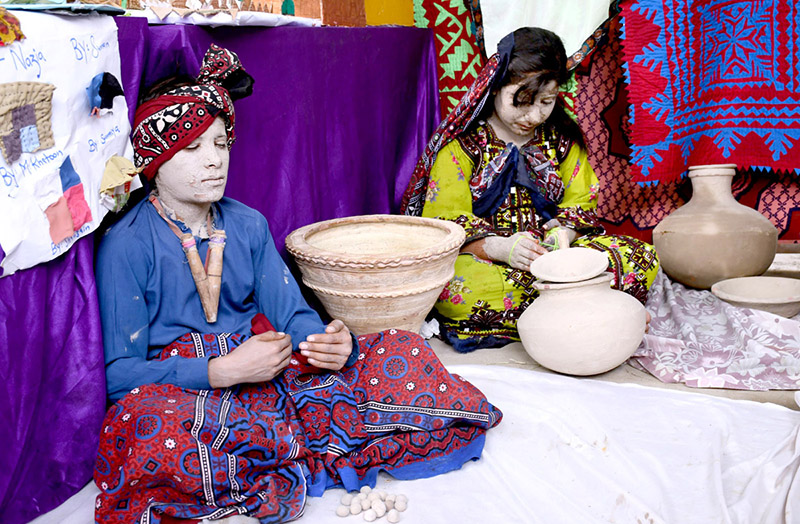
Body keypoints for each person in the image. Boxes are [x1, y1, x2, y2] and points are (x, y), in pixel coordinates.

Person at [94, 44, 502, 524]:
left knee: (404, 350)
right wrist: (221, 372)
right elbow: (119, 375)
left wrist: (327, 342)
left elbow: (293, 316)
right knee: (149, 430)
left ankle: (284, 437)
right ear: (153, 158)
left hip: (268, 364)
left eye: (221, 144)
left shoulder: (246, 224)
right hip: (187, 389)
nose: (213, 161)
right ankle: (277, 444)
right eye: (191, 147)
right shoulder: (127, 243)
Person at [400, 27, 660, 353]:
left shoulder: (562, 142)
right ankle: (591, 312)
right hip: (492, 265)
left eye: (547, 101)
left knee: (641, 257)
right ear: (494, 87)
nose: (534, 115)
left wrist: (564, 235)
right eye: (522, 100)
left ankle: (556, 314)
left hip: (557, 263)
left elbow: (582, 200)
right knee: (454, 291)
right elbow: (444, 223)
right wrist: (498, 248)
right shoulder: (461, 149)